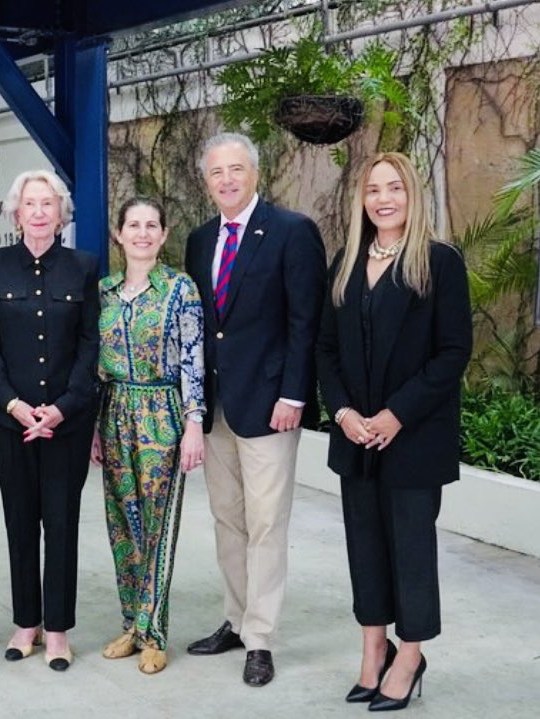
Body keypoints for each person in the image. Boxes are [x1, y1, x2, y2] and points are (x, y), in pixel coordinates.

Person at [316, 152, 472, 711]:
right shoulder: (346, 263)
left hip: (413, 438)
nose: (383, 199)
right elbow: (325, 350)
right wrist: (343, 414)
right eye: (373, 190)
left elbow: (454, 352)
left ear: (413, 195)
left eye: (395, 188)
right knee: (364, 547)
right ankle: (372, 647)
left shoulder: (439, 262)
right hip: (355, 437)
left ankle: (410, 656)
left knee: (409, 548)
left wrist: (397, 414)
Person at [184, 132, 326, 686]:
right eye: (217, 172)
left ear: (255, 173)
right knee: (228, 520)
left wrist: (294, 394)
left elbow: (304, 321)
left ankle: (260, 638)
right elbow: (201, 326)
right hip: (218, 407)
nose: (226, 180)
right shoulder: (199, 240)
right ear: (206, 180)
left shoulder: (291, 232)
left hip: (270, 406)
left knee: (266, 524)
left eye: (236, 169)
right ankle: (236, 618)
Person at [0, 170, 99, 672]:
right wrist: (13, 405)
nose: (41, 211)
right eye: (31, 203)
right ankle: (26, 622)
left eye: (49, 203)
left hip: (67, 422)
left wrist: (63, 407)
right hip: (12, 422)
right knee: (20, 522)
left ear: (61, 212)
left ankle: (59, 629)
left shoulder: (84, 268)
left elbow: (92, 346)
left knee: (62, 523)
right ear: (16, 212)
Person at [90, 197, 205, 675]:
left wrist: (194, 422)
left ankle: (154, 631)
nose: (141, 233)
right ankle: (131, 625)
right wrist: (95, 426)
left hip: (162, 412)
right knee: (122, 524)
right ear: (119, 234)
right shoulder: (104, 291)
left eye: (151, 225)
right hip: (114, 410)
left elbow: (193, 359)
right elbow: (94, 364)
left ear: (162, 234)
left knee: (155, 526)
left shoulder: (180, 289)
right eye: (133, 225)